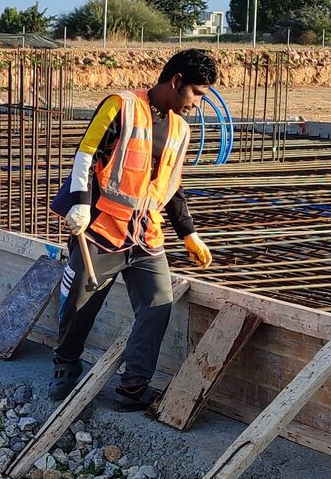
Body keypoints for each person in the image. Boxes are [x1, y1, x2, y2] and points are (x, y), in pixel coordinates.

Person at [50, 48, 219, 407]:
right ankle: (65, 366)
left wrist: (188, 232)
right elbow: (85, 154)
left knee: (158, 305)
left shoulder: (180, 129)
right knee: (81, 305)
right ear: (176, 82)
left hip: (145, 234)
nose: (198, 104)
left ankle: (133, 387)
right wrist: (79, 203)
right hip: (101, 228)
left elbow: (171, 186)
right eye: (197, 94)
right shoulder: (121, 106)